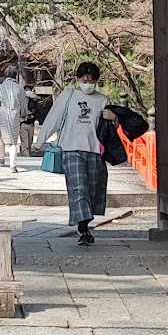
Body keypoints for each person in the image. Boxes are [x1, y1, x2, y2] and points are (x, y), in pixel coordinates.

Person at [36, 61, 115, 245]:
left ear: (96, 80)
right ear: (78, 79)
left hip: (95, 150)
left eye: (91, 80)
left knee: (93, 190)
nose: (88, 83)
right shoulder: (68, 95)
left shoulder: (102, 100)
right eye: (84, 79)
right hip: (71, 149)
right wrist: (40, 141)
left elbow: (109, 129)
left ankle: (85, 221)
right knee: (78, 188)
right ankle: (83, 228)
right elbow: (53, 118)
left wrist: (115, 117)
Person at [0, 66, 28, 174]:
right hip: (14, 115)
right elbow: (23, 103)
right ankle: (12, 164)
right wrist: (24, 114)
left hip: (2, 114)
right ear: (15, 75)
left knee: (0, 136)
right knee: (13, 141)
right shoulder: (20, 88)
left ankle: (1, 157)